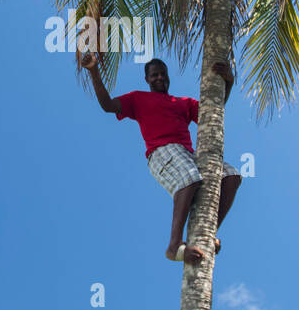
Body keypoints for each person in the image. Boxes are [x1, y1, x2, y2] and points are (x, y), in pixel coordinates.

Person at [81, 52, 241, 264]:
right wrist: (93, 70)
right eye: (154, 75)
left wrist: (228, 82)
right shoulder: (138, 98)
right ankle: (174, 246)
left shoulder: (183, 102)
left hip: (188, 154)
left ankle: (208, 234)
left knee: (231, 176)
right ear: (147, 79)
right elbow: (108, 105)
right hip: (161, 152)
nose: (159, 78)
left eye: (163, 74)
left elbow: (213, 112)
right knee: (190, 178)